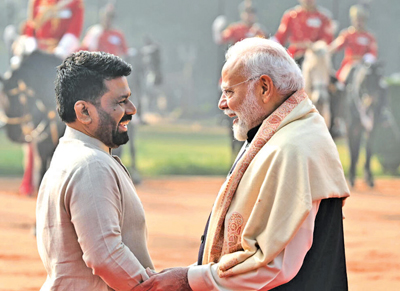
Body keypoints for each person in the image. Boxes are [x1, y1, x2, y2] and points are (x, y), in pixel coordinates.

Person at [134, 37, 350, 290]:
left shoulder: (293, 148)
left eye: (229, 92)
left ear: (264, 88)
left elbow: (276, 263)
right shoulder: (277, 131)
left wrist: (189, 280)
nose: (222, 104)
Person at [36, 51, 154, 290]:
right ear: (84, 112)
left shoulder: (70, 154)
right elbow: (107, 258)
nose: (132, 109)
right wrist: (156, 288)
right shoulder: (91, 165)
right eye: (120, 102)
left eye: (129, 99)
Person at [272, 0, 333, 66]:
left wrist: (314, 47)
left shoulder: (323, 17)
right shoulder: (291, 16)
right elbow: (280, 38)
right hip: (294, 56)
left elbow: (327, 41)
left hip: (316, 59)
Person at [329, 4, 378, 83]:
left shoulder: (369, 37)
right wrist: (328, 49)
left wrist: (366, 60)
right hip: (349, 64)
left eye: (361, 20)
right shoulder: (347, 34)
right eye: (357, 20)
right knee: (342, 80)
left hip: (364, 65)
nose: (359, 22)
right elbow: (337, 45)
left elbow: (373, 52)